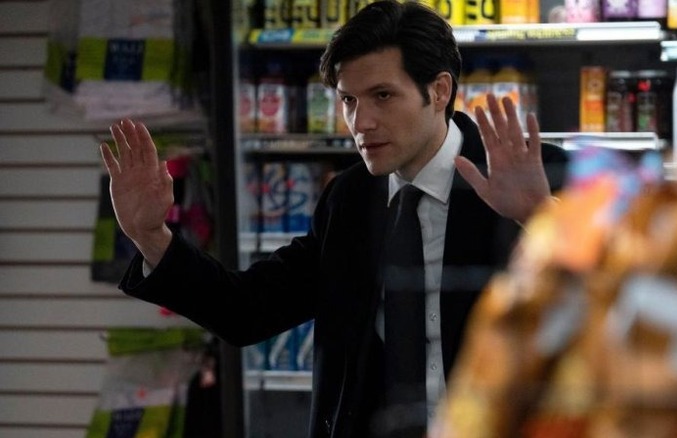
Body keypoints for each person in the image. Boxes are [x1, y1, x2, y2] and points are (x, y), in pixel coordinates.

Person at [98, 1, 569, 437]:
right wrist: (150, 236)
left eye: (382, 95)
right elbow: (246, 311)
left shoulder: (531, 175)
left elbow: (617, 320)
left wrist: (540, 217)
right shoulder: (348, 198)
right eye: (348, 100)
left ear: (439, 90)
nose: (361, 122)